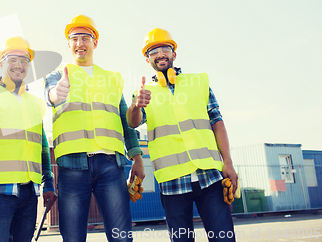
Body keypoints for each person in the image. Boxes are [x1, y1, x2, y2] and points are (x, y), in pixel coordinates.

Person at [126, 28, 238, 242]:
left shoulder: (199, 83)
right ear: (147, 58)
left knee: (223, 238)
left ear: (174, 54)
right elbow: (133, 122)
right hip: (172, 181)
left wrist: (228, 162)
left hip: (210, 176)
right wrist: (135, 104)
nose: (160, 54)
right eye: (153, 51)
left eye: (165, 49)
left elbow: (217, 122)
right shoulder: (143, 92)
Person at [45, 15, 145, 242]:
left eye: (85, 38)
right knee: (73, 237)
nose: (80, 43)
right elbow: (51, 96)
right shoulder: (57, 75)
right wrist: (56, 93)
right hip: (72, 166)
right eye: (74, 39)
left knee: (121, 236)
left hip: (110, 164)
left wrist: (137, 157)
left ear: (95, 42)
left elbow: (125, 121)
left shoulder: (112, 78)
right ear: (68, 44)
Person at [0, 36, 57, 242]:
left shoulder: (35, 103)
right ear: (1, 63)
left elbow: (42, 147)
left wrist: (48, 183)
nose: (19, 65)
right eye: (12, 59)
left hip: (29, 191)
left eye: (24, 60)